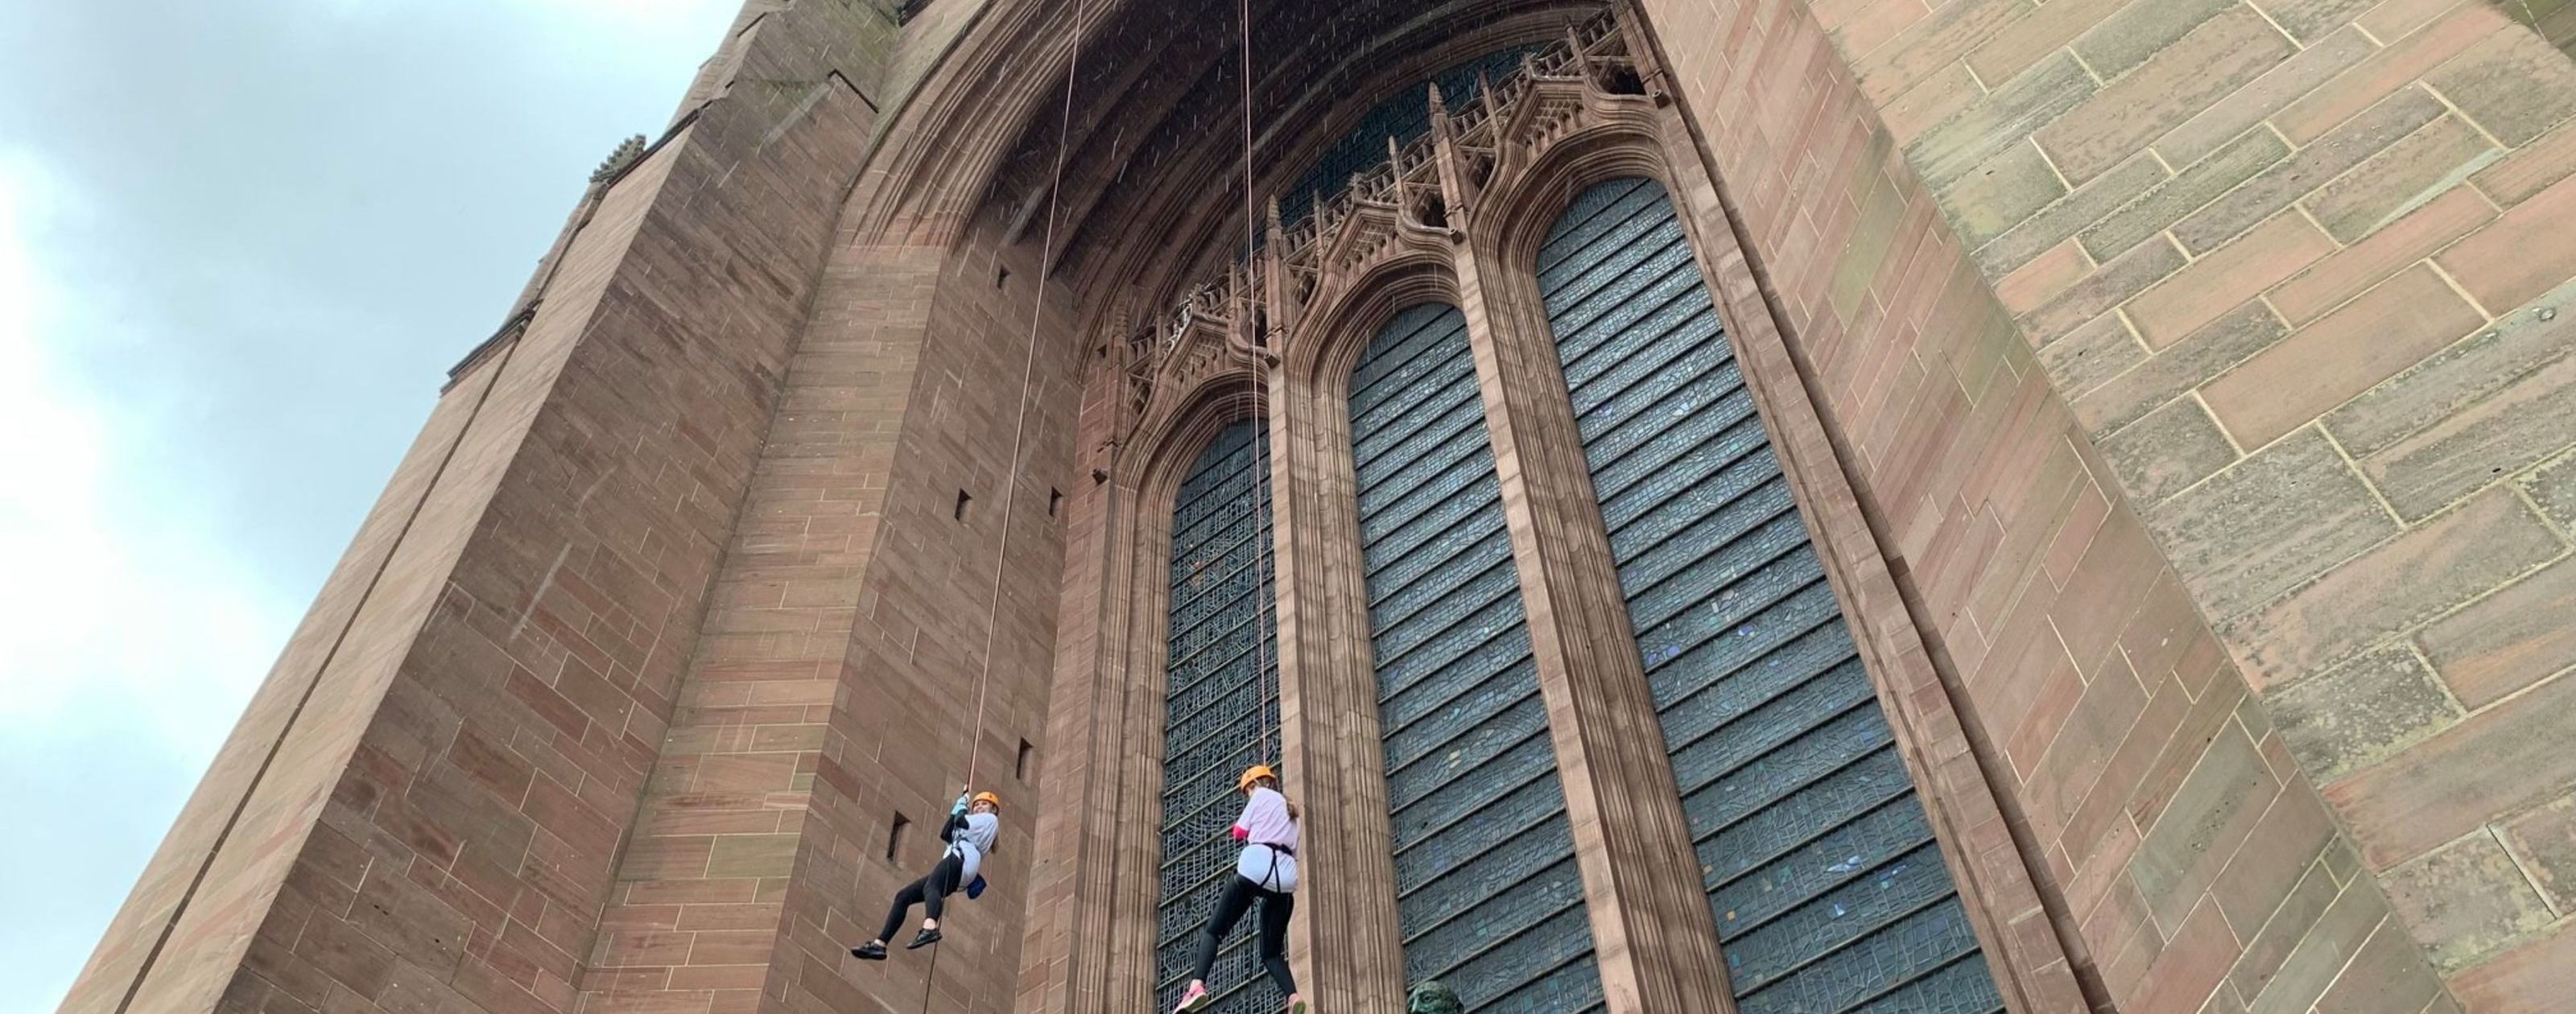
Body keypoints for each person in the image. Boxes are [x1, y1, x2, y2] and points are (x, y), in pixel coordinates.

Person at [1173, 764, 1304, 1014]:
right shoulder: (1292, 814)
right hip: (1284, 880)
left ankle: (1197, 986)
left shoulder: (1261, 796)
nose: (1249, 794)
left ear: (1257, 785)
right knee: (1271, 953)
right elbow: (1294, 851)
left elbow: (1239, 831)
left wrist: (1243, 830)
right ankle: (1294, 997)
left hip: (1256, 868)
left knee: (1214, 930)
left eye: (1249, 790)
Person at [851, 789, 1000, 960]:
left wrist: (962, 808)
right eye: (977, 805)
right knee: (903, 896)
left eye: (984, 804)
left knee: (932, 886)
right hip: (961, 864)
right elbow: (946, 833)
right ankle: (880, 944)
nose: (980, 807)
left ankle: (930, 927)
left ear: (993, 809)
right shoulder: (975, 823)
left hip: (962, 858)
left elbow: (961, 821)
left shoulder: (990, 820)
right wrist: (956, 808)